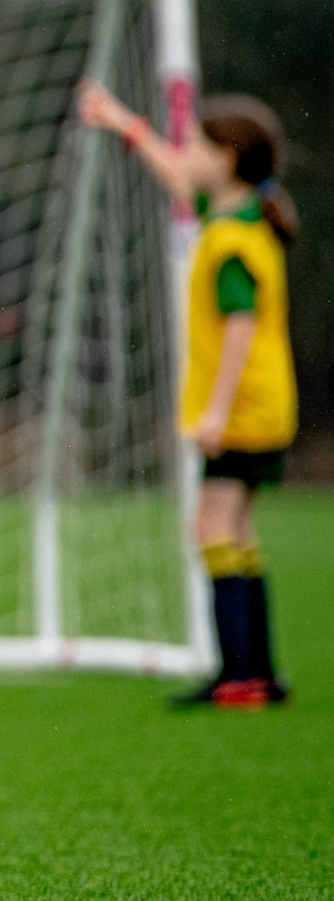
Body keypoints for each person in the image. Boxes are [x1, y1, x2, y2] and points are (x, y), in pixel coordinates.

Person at [79, 81, 296, 706]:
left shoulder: (232, 242)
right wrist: (121, 120)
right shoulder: (236, 216)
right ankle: (258, 673)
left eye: (199, 141)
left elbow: (240, 327)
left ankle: (239, 676)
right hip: (265, 407)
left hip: (244, 408)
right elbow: (177, 177)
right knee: (237, 532)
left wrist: (217, 410)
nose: (189, 150)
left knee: (212, 528)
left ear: (227, 159)